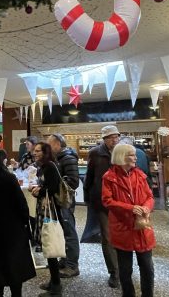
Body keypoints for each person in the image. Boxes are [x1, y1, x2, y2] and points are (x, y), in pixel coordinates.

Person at [102, 144, 156, 297]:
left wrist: (146, 207)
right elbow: (107, 201)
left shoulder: (140, 174)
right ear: (121, 157)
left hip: (141, 226)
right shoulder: (109, 177)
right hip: (122, 226)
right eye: (132, 155)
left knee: (147, 266)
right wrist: (130, 208)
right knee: (125, 269)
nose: (136, 157)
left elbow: (150, 197)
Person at [0, 149, 36, 297]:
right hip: (12, 227)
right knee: (14, 264)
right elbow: (20, 202)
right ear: (2, 160)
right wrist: (26, 221)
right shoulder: (9, 178)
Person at [84, 125, 121, 288]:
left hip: (121, 201)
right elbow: (89, 176)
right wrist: (87, 196)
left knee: (121, 235)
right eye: (111, 137)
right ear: (104, 139)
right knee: (107, 236)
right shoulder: (95, 153)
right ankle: (114, 273)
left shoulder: (123, 152)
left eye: (117, 136)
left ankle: (124, 269)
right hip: (101, 200)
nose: (115, 139)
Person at [30, 142, 62, 296]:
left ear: (45, 152)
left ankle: (56, 286)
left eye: (38, 151)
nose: (34, 153)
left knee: (50, 244)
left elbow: (53, 187)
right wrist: (38, 188)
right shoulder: (43, 166)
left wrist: (39, 191)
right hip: (45, 209)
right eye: (34, 150)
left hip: (51, 211)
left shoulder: (49, 166)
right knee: (47, 246)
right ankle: (54, 281)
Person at [47, 134, 80, 278]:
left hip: (65, 202)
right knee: (62, 231)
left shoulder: (68, 158)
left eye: (50, 144)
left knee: (69, 232)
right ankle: (65, 260)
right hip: (58, 201)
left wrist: (57, 186)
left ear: (57, 144)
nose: (48, 148)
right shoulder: (58, 158)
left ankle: (72, 265)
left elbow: (73, 181)